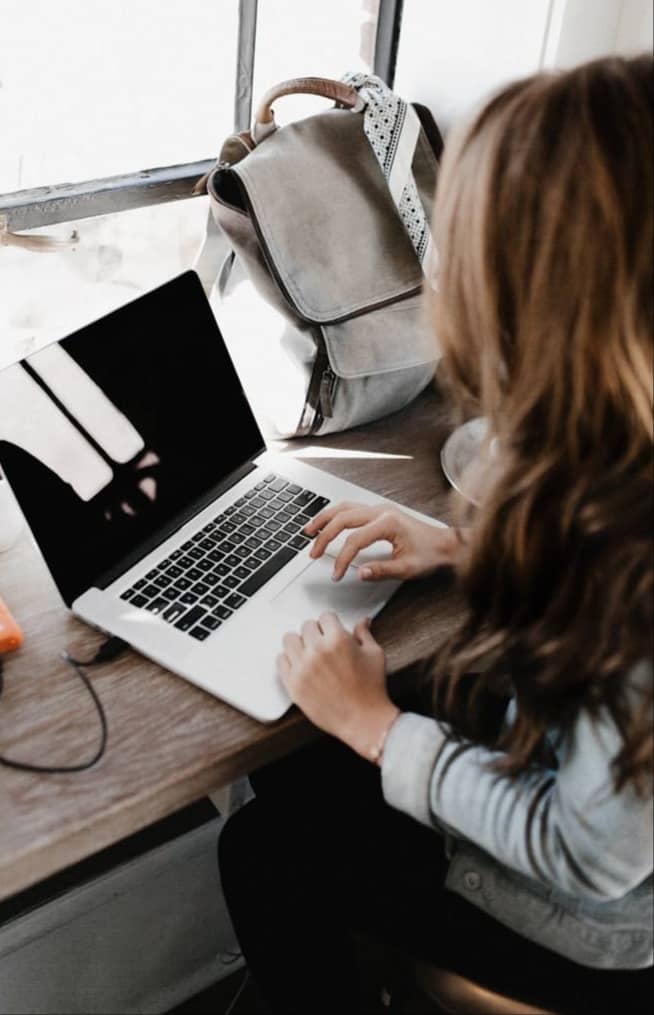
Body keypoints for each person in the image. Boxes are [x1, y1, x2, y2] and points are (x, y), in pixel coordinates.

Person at [218, 55, 653, 1014]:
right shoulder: (617, 472)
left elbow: (589, 857)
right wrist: (463, 547)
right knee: (300, 771)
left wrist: (377, 726)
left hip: (601, 937)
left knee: (265, 850)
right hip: (595, 829)